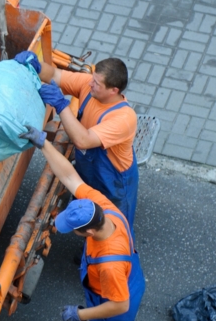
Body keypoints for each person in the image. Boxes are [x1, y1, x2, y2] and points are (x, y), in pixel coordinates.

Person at [19, 124, 161, 321]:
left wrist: (80, 314)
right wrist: (42, 144)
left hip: (114, 297)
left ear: (85, 234)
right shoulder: (102, 208)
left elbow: (118, 306)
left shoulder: (108, 263)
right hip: (129, 279)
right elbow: (70, 176)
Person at [13, 51, 139, 230]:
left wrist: (61, 105)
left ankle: (96, 253)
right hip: (89, 171)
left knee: (114, 226)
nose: (90, 83)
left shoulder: (124, 118)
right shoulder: (90, 87)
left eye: (96, 83)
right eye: (92, 79)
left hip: (114, 183)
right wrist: (37, 66)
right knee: (88, 216)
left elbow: (83, 140)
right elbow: (56, 75)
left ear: (114, 91)